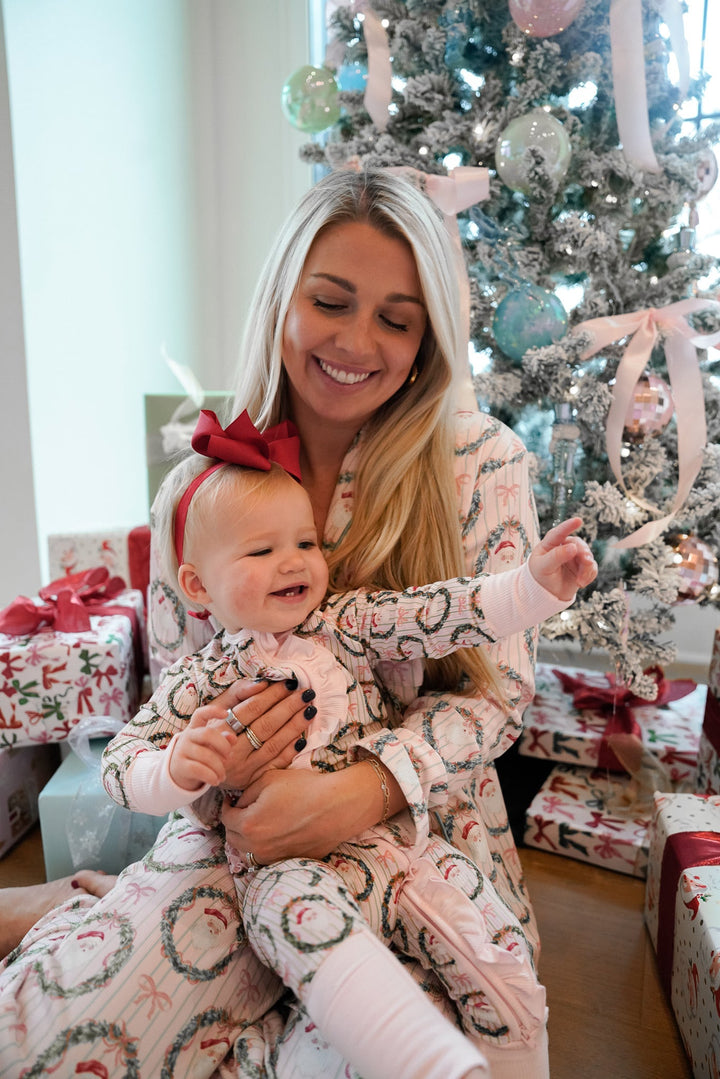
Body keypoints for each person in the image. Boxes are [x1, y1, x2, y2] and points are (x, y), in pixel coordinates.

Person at [0, 167, 571, 1079]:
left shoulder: (481, 459)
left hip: (421, 840)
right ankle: (81, 917)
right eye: (331, 301)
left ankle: (90, 909)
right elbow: (172, 698)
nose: (357, 341)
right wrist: (218, 775)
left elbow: (499, 694)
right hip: (239, 831)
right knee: (62, 1035)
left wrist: (365, 788)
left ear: (428, 337)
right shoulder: (194, 485)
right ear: (283, 296)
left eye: (396, 316)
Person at [100, 406, 596, 1079]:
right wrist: (175, 769)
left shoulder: (344, 621)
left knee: (498, 954)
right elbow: (123, 759)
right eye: (260, 549)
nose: (293, 562)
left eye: (304, 542)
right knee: (317, 954)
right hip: (281, 868)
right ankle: (431, 1062)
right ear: (196, 586)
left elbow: (438, 613)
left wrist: (533, 587)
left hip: (397, 843)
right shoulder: (201, 678)